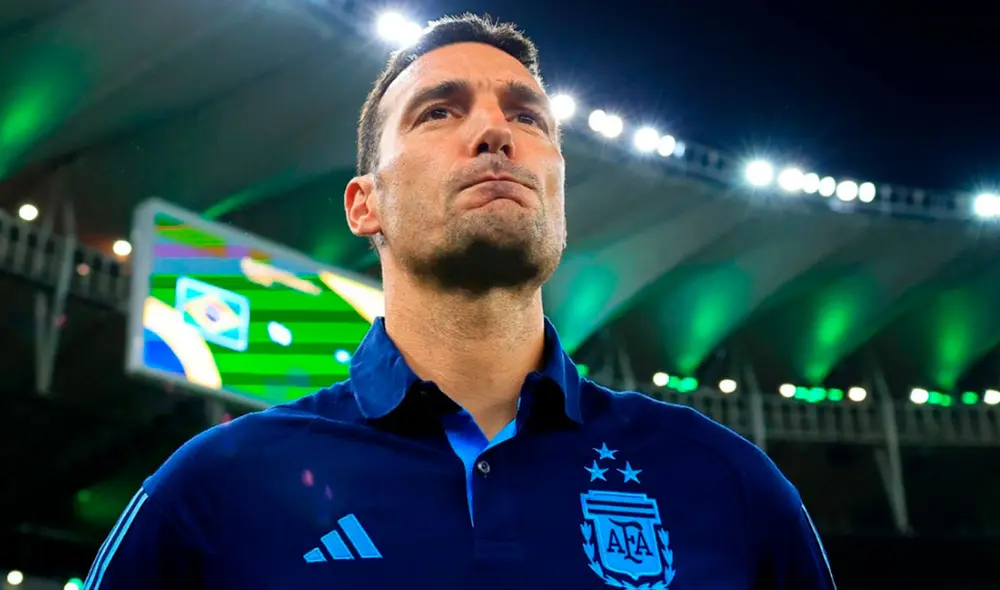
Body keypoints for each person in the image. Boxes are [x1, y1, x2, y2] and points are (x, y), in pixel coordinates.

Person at [83, 13, 836, 590]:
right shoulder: (214, 488)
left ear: (560, 190)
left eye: (528, 116)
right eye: (438, 111)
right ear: (363, 205)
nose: (494, 133)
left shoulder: (728, 485)